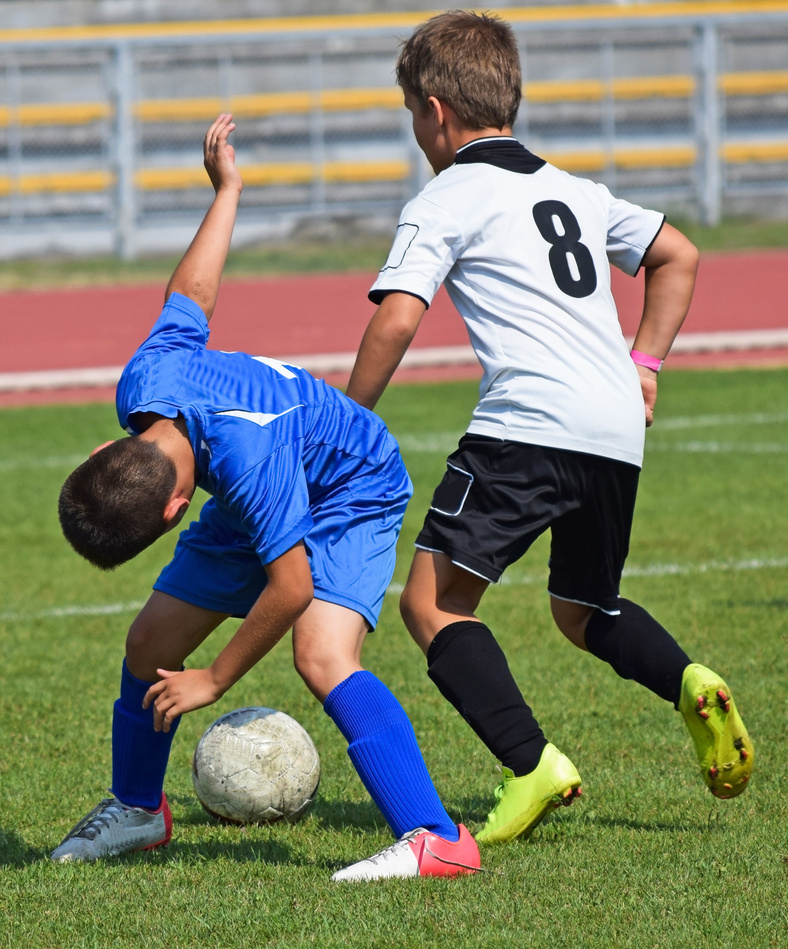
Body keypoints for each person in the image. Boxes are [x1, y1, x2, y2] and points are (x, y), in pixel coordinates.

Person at [344, 11, 754, 844]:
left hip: (527, 421)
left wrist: (346, 424)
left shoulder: (447, 194)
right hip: (613, 425)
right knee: (583, 607)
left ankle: (532, 765)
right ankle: (690, 681)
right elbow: (681, 254)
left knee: (434, 601)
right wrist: (645, 364)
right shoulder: (576, 189)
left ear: (434, 111)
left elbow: (395, 318)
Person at [51, 114, 480, 882]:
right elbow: (191, 292)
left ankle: (436, 837)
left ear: (176, 507)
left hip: (354, 482)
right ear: (107, 447)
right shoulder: (145, 385)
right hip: (272, 477)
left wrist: (214, 679)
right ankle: (139, 810)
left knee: (319, 652)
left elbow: (292, 586)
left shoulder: (245, 464)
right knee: (150, 645)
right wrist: (228, 191)